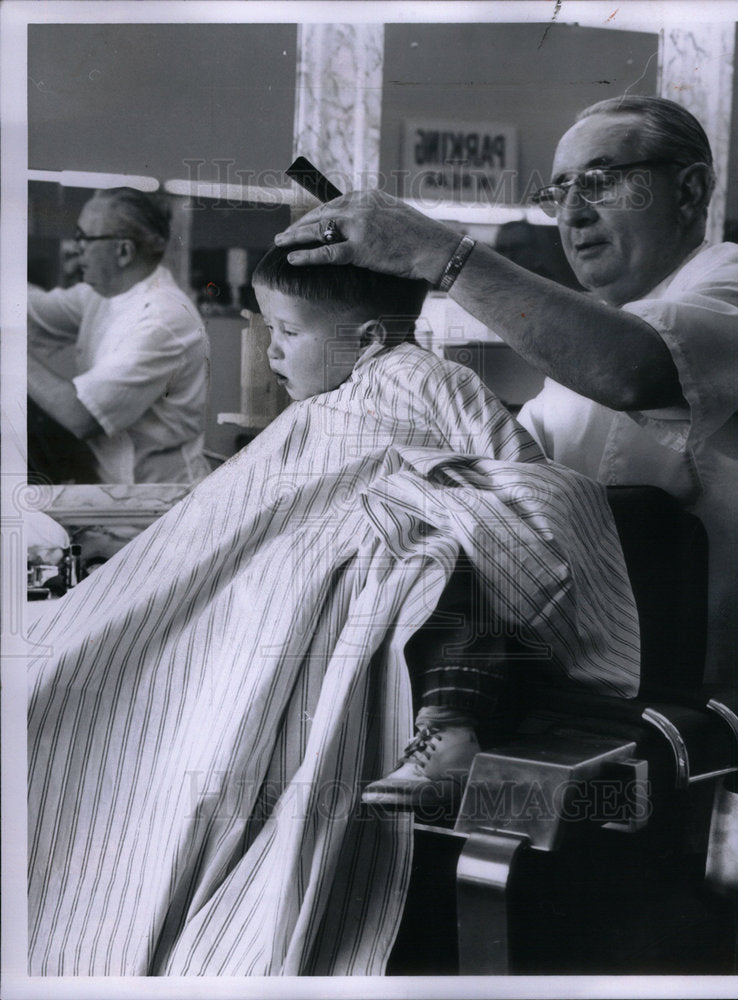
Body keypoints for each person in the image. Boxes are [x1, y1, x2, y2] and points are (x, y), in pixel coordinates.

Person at [275, 96, 738, 965]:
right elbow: (511, 502)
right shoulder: (559, 391)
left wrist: (438, 253)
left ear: (691, 187)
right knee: (469, 862)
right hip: (607, 732)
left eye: (602, 181)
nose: (575, 211)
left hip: (725, 740)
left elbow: (633, 367)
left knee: (717, 939)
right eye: (560, 192)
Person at [28, 244, 640, 975]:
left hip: (404, 571)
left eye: (288, 332)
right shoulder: (310, 410)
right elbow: (235, 514)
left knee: (445, 596)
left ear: (373, 339)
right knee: (82, 671)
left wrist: (437, 502)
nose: (271, 349)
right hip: (286, 589)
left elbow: (529, 482)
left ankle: (449, 730)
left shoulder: (425, 377)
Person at [27, 187, 210, 484]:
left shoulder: (163, 319)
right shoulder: (106, 295)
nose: (76, 248)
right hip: (114, 495)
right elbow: (31, 309)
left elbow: (82, 416)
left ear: (123, 251)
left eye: (85, 238)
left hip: (152, 507)